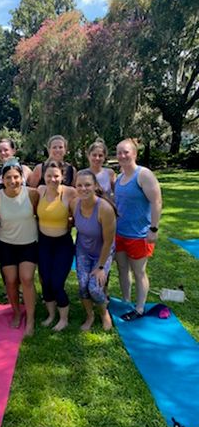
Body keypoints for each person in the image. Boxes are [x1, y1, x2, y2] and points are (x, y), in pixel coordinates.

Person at [114, 138, 162, 321]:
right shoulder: (119, 178)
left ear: (134, 153)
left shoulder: (143, 175)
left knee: (139, 272)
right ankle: (126, 301)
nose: (122, 155)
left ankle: (140, 308)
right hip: (120, 233)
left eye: (126, 151)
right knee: (122, 269)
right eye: (119, 152)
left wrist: (154, 229)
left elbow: (156, 201)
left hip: (139, 235)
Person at [0, 159, 39, 337]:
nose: (13, 181)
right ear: (2, 179)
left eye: (16, 177)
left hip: (29, 243)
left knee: (26, 279)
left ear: (22, 177)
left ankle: (31, 319)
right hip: (6, 244)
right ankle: (17, 312)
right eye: (8, 178)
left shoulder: (32, 194)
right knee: (10, 281)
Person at [70, 170, 116, 331]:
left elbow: (109, 241)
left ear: (95, 186)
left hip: (102, 251)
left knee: (94, 288)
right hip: (83, 249)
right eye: (79, 185)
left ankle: (104, 314)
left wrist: (101, 267)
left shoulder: (105, 209)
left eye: (87, 185)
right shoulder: (74, 203)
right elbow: (71, 221)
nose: (83, 188)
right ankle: (90, 315)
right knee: (83, 285)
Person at [37, 161, 76, 331]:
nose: (53, 179)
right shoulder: (40, 191)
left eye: (56, 176)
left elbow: (81, 213)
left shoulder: (70, 193)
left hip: (63, 244)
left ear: (62, 176)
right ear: (44, 177)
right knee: (45, 281)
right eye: (49, 176)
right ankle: (51, 315)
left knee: (57, 282)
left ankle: (63, 319)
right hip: (44, 243)